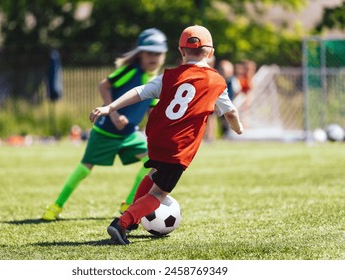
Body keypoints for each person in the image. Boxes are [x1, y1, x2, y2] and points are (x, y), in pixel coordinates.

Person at [90, 25, 243, 245]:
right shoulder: (216, 81)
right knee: (159, 193)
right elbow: (231, 112)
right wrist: (238, 129)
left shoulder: (170, 75)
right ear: (210, 52)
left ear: (182, 51)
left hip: (156, 137)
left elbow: (140, 92)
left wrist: (110, 107)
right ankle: (123, 222)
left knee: (154, 173)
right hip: (178, 146)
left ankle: (132, 219)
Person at [41, 28, 168, 221]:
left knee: (153, 162)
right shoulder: (130, 71)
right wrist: (114, 114)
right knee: (85, 168)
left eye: (158, 53)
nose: (154, 57)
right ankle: (56, 205)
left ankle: (128, 203)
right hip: (105, 132)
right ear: (140, 53)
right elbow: (104, 85)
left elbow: (152, 110)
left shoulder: (155, 79)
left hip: (129, 135)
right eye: (150, 53)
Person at [217, 59, 242, 136]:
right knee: (222, 121)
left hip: (229, 102)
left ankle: (230, 134)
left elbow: (237, 90)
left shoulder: (233, 80)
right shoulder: (217, 80)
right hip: (219, 104)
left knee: (230, 118)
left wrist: (232, 100)